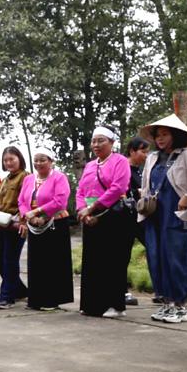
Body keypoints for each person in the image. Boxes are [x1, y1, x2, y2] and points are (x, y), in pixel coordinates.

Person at [139, 114, 187, 323]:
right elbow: (147, 185)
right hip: (154, 215)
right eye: (157, 135)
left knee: (178, 259)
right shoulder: (152, 158)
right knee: (156, 258)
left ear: (176, 135)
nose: (160, 139)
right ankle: (166, 303)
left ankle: (180, 306)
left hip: (177, 215)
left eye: (165, 134)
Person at [75, 126, 133, 319]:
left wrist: (93, 208)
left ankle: (115, 305)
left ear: (112, 143)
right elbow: (81, 191)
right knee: (93, 261)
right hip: (91, 219)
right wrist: (83, 211)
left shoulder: (120, 161)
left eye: (101, 140)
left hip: (112, 216)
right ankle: (92, 304)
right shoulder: (90, 165)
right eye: (94, 141)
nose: (96, 145)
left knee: (113, 261)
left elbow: (118, 187)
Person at [18, 147, 74, 311]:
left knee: (52, 263)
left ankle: (51, 300)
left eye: (43, 159)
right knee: (36, 263)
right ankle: (35, 299)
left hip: (55, 223)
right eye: (36, 160)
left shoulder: (59, 177)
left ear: (51, 161)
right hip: (34, 223)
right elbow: (21, 200)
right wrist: (29, 216)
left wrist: (39, 213)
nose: (38, 163)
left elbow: (60, 201)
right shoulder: (29, 179)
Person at [0, 146, 29, 310]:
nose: (9, 162)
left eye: (12, 159)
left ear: (19, 158)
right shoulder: (5, 179)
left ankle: (7, 297)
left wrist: (23, 220)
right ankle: (20, 290)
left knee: (9, 260)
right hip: (1, 223)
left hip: (15, 224)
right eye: (6, 160)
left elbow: (27, 200)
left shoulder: (26, 177)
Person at [125, 137, 151, 306]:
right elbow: (121, 191)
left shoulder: (141, 171)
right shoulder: (124, 169)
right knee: (123, 254)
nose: (146, 155)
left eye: (147, 152)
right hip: (125, 218)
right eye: (143, 151)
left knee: (153, 248)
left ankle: (161, 288)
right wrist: (137, 192)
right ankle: (122, 291)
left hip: (141, 217)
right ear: (132, 151)